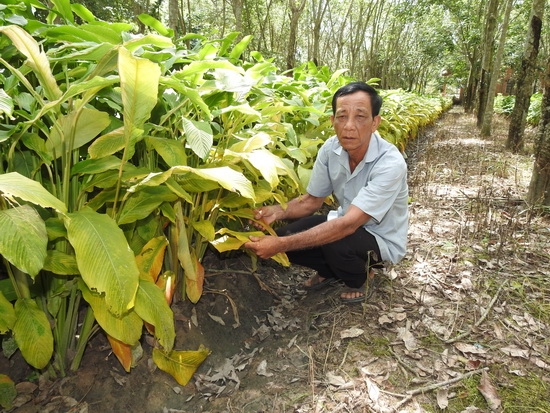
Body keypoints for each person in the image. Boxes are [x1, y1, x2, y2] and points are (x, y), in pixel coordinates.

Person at [244, 81, 408, 303]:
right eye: (342, 116)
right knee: (285, 237)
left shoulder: (390, 163)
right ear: (332, 121)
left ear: (374, 122)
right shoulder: (331, 149)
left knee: (332, 240)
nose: (349, 125)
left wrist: (279, 246)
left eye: (360, 117)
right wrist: (277, 212)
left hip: (380, 239)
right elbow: (311, 201)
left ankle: (360, 277)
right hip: (344, 224)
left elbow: (349, 225)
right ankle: (332, 271)